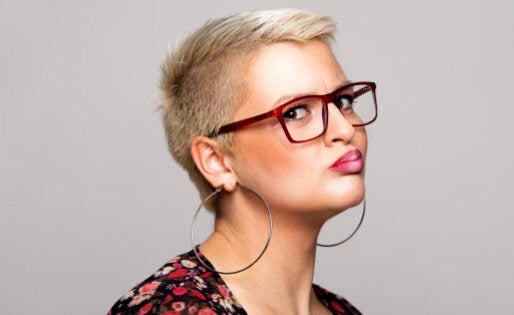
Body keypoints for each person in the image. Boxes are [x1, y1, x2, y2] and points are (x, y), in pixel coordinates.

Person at [108, 8, 377, 315]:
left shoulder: (342, 310)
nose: (344, 130)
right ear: (216, 161)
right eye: (295, 112)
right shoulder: (169, 310)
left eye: (344, 101)